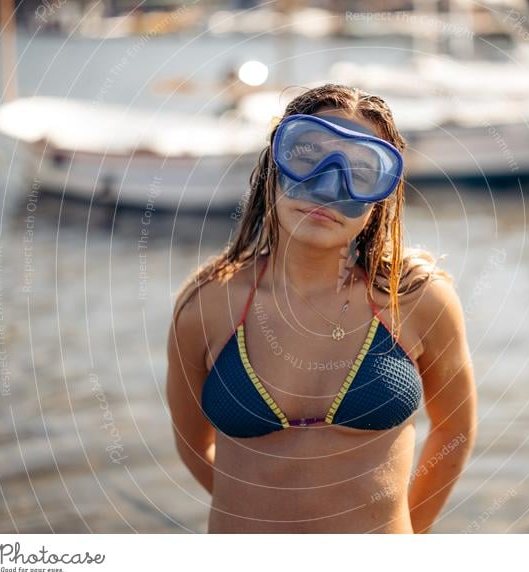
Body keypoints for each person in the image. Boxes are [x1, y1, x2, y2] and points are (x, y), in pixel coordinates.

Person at [166, 83, 477, 533]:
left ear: (379, 201)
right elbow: (194, 443)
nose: (329, 187)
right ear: (274, 164)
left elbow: (455, 433)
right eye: (308, 157)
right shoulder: (207, 305)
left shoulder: (414, 300)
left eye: (362, 172)